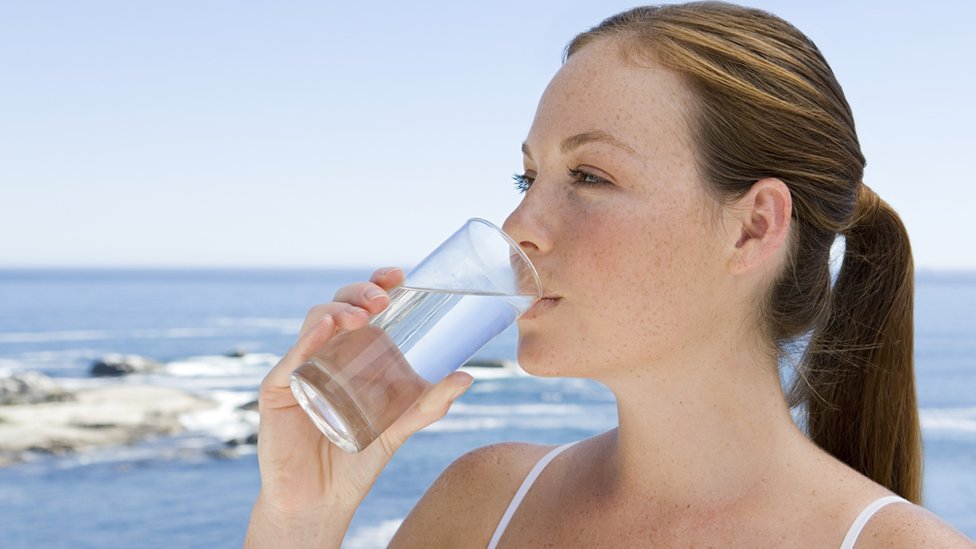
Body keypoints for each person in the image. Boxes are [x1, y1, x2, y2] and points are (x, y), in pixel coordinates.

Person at [245, 2, 974, 547]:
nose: (516, 226)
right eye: (525, 176)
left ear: (754, 226)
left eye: (589, 175)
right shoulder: (482, 504)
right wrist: (299, 518)